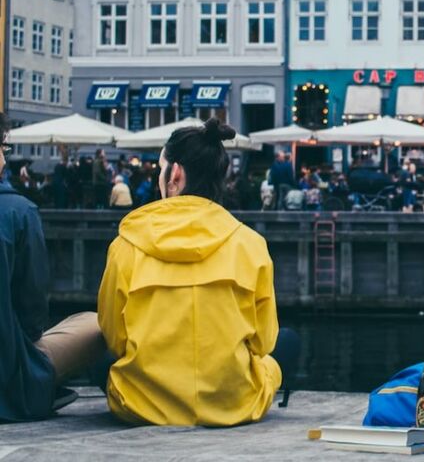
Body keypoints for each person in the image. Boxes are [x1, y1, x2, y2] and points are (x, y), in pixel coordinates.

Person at [97, 118, 299, 426]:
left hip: (141, 403)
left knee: (92, 344)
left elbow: (114, 338)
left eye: (160, 170)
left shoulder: (126, 245)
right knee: (288, 341)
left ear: (175, 174)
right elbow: (263, 343)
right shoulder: (250, 244)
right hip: (234, 402)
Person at [0, 112, 106, 421]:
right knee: (96, 324)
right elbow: (32, 306)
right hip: (9, 382)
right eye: (4, 149)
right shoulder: (19, 212)